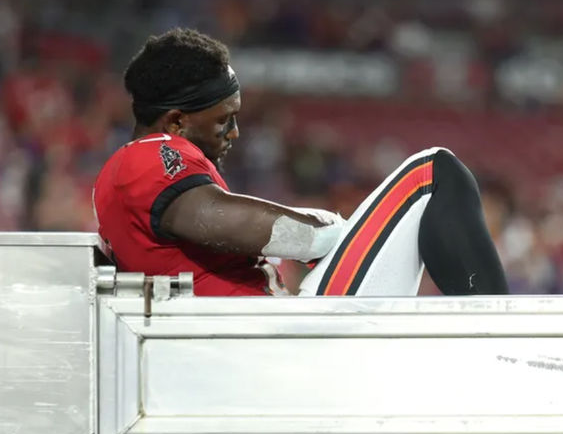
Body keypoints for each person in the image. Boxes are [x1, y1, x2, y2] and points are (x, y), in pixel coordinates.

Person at [93, 28, 508, 297]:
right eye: (223, 120)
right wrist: (328, 234)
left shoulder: (138, 167)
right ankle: (501, 344)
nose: (234, 132)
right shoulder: (148, 156)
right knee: (434, 173)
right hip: (280, 347)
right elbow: (218, 217)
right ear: (177, 120)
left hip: (267, 343)